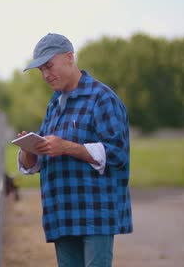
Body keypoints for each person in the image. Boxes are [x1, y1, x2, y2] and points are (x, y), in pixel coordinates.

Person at [16, 33, 132, 267]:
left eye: (49, 66)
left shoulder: (101, 98)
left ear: (69, 57)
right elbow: (39, 162)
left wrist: (67, 147)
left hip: (95, 213)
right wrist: (29, 150)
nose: (46, 75)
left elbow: (118, 153)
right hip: (62, 213)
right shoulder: (55, 103)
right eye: (41, 70)